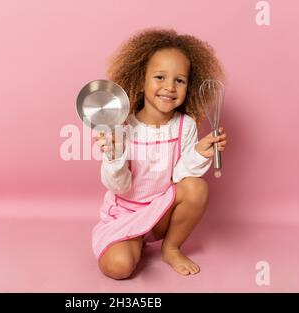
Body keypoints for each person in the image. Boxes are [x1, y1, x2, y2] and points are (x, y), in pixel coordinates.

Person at [92, 28, 228, 279]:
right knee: (118, 267)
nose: (169, 87)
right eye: (159, 77)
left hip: (161, 211)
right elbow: (119, 187)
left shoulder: (184, 125)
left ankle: (171, 247)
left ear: (190, 85)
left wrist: (199, 153)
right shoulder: (121, 126)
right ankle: (133, 241)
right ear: (140, 80)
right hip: (126, 213)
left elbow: (180, 177)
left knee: (197, 187)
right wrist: (115, 156)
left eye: (179, 80)